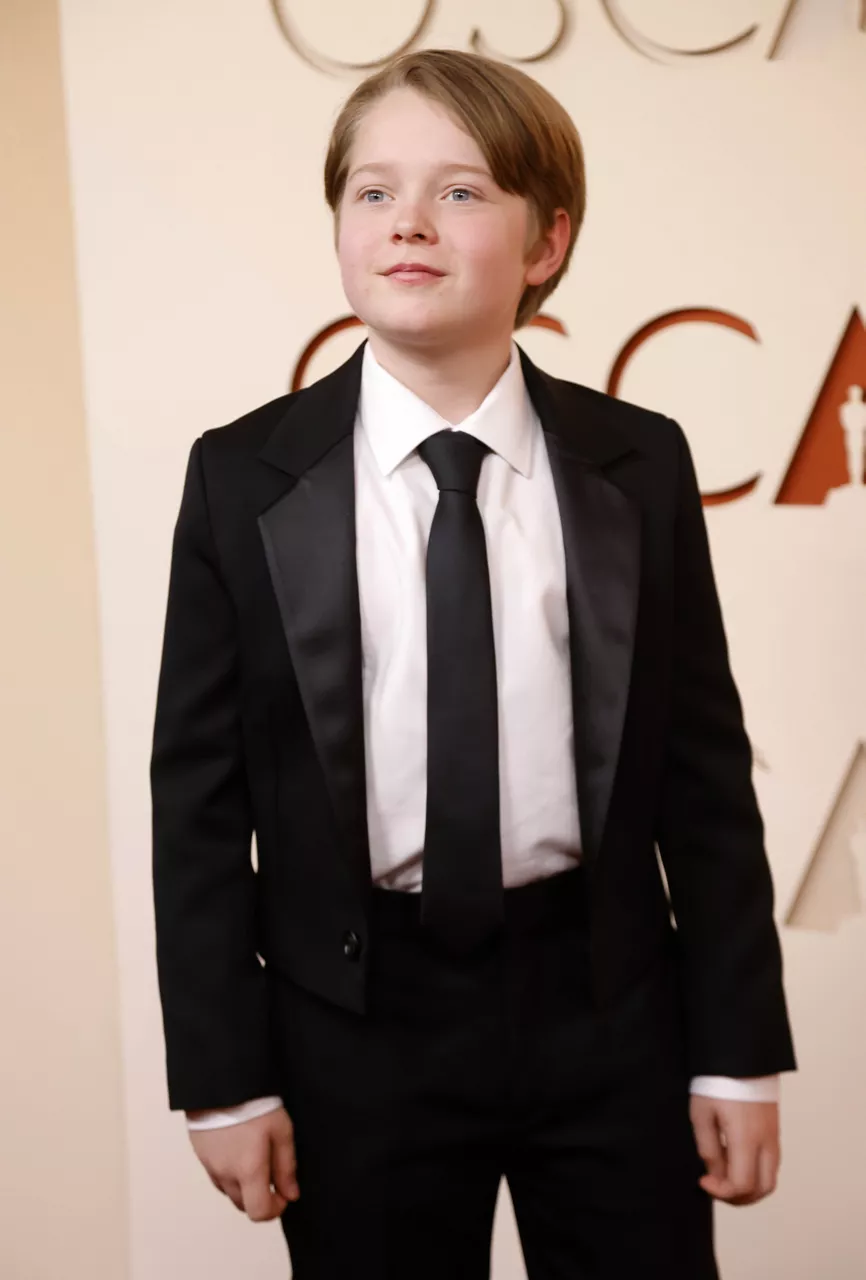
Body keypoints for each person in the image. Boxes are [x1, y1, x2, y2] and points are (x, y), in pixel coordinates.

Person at [151, 48, 796, 1279]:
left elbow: (701, 773)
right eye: (370, 192)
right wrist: (223, 1076)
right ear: (337, 227)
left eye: (458, 192)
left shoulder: (637, 463)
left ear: (545, 241)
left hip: (605, 1005)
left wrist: (733, 1049)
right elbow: (195, 800)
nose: (406, 222)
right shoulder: (240, 477)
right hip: (351, 1021)